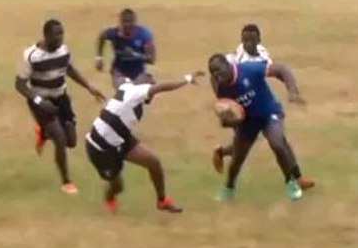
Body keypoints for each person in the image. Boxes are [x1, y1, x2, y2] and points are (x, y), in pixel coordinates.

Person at [85, 72, 202, 214]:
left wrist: (115, 71)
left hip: (121, 138)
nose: (152, 95)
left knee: (154, 163)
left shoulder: (127, 86)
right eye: (150, 89)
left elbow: (118, 78)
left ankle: (162, 201)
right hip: (100, 147)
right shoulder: (137, 92)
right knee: (118, 186)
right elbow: (163, 87)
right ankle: (110, 198)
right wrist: (186, 79)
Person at [15, 19, 107, 194]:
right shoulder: (31, 55)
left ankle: (43, 132)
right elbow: (19, 85)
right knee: (60, 139)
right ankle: (66, 181)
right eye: (56, 34)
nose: (60, 38)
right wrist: (40, 102)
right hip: (41, 101)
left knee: (71, 142)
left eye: (62, 33)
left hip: (61, 98)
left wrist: (89, 87)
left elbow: (69, 70)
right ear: (46, 35)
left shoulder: (63, 51)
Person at [207, 52, 313, 202]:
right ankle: (228, 188)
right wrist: (229, 121)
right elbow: (228, 110)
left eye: (218, 70)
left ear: (228, 65)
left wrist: (293, 92)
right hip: (247, 121)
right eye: (213, 72)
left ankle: (291, 183)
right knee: (238, 157)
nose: (217, 75)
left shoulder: (249, 70)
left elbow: (281, 69)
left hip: (268, 113)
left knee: (277, 142)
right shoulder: (219, 86)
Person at [212, 24, 271, 174]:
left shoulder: (263, 54)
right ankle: (227, 174)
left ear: (259, 40)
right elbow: (214, 75)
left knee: (245, 140)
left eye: (252, 40)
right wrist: (223, 100)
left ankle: (221, 153)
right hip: (237, 104)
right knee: (244, 140)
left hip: (252, 101)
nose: (248, 44)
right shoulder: (236, 59)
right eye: (245, 40)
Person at [95, 8, 156, 87]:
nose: (127, 26)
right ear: (120, 23)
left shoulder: (143, 34)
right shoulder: (114, 34)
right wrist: (99, 58)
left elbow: (151, 59)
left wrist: (135, 54)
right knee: (123, 92)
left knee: (140, 94)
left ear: (135, 22)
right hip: (119, 71)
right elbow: (102, 37)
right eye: (125, 23)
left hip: (138, 72)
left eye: (130, 23)